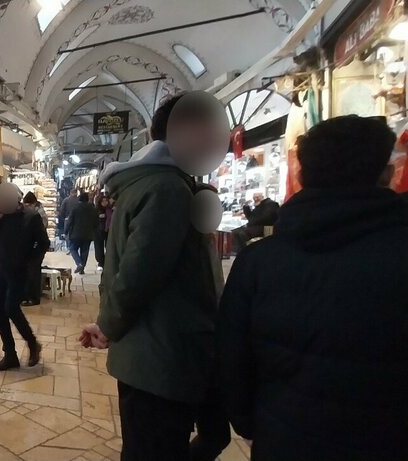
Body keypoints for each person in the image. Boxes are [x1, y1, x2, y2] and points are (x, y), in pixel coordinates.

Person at [219, 115, 408, 461]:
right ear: (387, 173)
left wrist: (251, 422)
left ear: (302, 175)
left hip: (285, 437)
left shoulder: (259, 262)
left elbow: (233, 357)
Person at [80, 93, 230, 461]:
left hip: (162, 352)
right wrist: (108, 325)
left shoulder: (160, 184)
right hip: (160, 358)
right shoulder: (167, 189)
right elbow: (137, 274)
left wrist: (108, 323)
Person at [0, 184, 47, 371]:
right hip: (1, 270)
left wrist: (30, 263)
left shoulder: (31, 216)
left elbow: (43, 243)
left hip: (19, 271)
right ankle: (10, 355)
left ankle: (32, 343)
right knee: (0, 313)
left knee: (11, 308)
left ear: (18, 198)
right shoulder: (1, 215)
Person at [20, 192, 48, 306]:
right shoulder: (33, 213)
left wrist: (37, 248)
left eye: (27, 205)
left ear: (32, 204)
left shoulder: (37, 214)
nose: (25, 207)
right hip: (32, 248)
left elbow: (41, 234)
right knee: (30, 272)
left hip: (36, 248)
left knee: (33, 273)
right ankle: (28, 296)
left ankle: (33, 298)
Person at [65, 192, 99, 274]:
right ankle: (82, 269)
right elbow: (96, 222)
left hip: (75, 233)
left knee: (73, 248)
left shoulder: (75, 208)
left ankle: (79, 263)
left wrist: (66, 230)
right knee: (85, 251)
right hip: (88, 234)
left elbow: (70, 220)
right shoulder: (93, 209)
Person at [93, 195, 113, 272]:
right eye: (103, 201)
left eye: (106, 201)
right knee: (99, 248)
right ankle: (101, 262)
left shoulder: (110, 209)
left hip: (108, 231)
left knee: (109, 246)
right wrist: (98, 217)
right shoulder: (96, 210)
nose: (105, 202)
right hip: (98, 232)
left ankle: (107, 261)